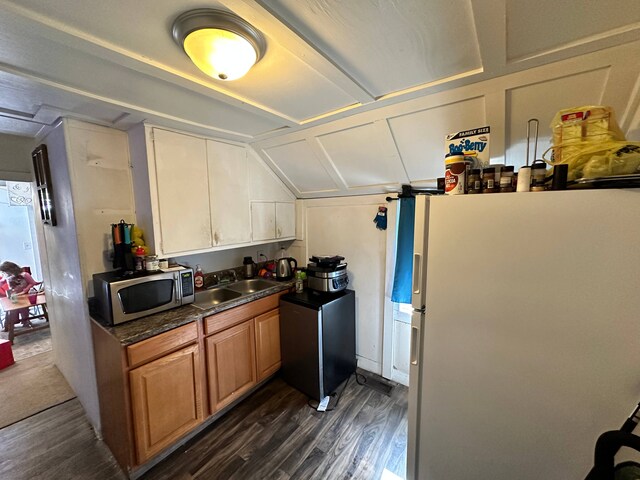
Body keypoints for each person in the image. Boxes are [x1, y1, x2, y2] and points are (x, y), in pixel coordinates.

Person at [0, 261, 40, 329]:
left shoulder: (25, 274)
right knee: (11, 309)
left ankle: (25, 322)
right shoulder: (8, 276)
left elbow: (32, 283)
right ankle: (9, 324)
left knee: (24, 308)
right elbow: (2, 282)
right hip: (14, 295)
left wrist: (26, 290)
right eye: (4, 272)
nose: (5, 273)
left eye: (6, 271)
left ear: (11, 269)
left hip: (24, 294)